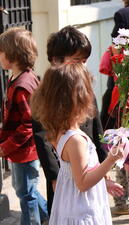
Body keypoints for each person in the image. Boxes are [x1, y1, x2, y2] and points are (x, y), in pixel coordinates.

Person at [32, 25, 123, 215]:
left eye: (84, 61)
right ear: (56, 60)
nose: (82, 66)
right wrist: (54, 176)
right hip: (64, 173)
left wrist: (103, 163)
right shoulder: (47, 92)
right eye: (76, 61)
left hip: (89, 165)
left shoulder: (84, 85)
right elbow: (42, 137)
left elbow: (96, 127)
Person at [0, 27, 48, 225]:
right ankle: (49, 215)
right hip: (22, 150)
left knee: (25, 193)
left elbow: (29, 124)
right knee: (27, 189)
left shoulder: (23, 85)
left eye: (1, 51)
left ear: (12, 55)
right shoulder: (19, 77)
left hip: (25, 150)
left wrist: (6, 146)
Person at [99, 0, 129, 215]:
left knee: (120, 143)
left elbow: (115, 47)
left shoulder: (121, 14)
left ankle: (122, 201)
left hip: (121, 94)